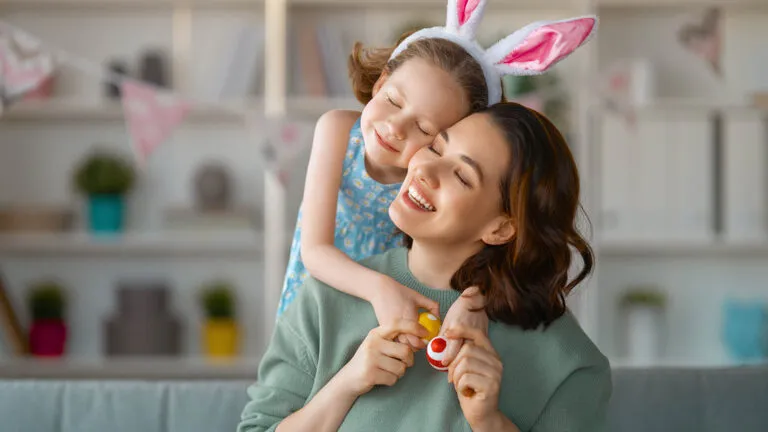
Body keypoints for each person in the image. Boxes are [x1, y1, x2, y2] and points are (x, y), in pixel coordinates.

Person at [238, 102, 612, 432]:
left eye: (462, 176)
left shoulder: (569, 364)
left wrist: (489, 423)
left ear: (501, 227)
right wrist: (346, 383)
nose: (426, 170)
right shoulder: (326, 299)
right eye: (435, 146)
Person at [277, 0, 596, 360]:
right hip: (322, 296)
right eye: (394, 101)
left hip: (395, 315)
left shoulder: (432, 181)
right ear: (382, 80)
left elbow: (469, 256)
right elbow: (315, 251)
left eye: (425, 128)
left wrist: (472, 303)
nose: (395, 128)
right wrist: (381, 289)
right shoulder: (336, 129)